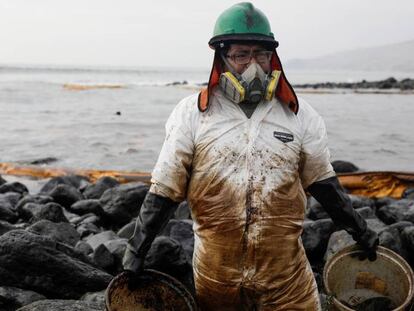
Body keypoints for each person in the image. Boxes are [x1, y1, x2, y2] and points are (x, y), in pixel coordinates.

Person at [122, 2, 379, 310]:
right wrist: (136, 251)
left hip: (285, 275)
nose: (254, 65)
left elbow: (323, 182)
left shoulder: (299, 115)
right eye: (242, 55)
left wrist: (361, 231)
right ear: (222, 58)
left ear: (274, 57)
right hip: (216, 272)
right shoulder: (193, 114)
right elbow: (164, 189)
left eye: (262, 55)